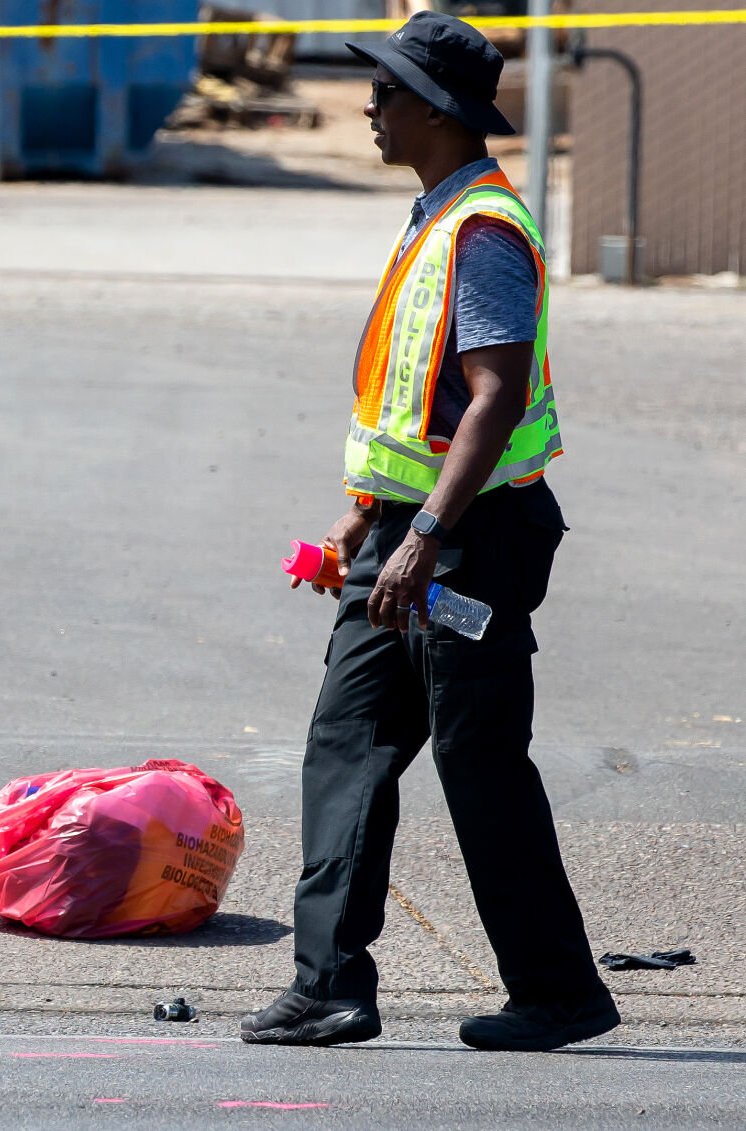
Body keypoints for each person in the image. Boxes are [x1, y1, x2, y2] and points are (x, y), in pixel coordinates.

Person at [240, 11, 618, 1052]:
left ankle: (558, 993)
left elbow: (492, 399)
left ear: (440, 113)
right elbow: (417, 401)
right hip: (407, 534)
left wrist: (424, 539)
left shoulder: (485, 231)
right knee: (345, 745)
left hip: (470, 542)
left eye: (389, 92)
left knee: (478, 757)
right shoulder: (433, 217)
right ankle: (329, 987)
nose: (369, 106)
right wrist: (365, 516)